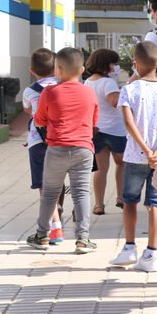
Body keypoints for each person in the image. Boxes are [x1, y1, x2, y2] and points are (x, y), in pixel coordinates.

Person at [26, 47, 98, 253]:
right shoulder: (89, 92)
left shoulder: (49, 92)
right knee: (81, 193)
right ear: (82, 69)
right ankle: (83, 239)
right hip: (84, 149)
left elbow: (39, 120)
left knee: (49, 193)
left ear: (58, 70)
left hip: (56, 148)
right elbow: (94, 120)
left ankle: (42, 236)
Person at [108, 42, 157, 273]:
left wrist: (144, 149)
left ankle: (129, 247)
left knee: (129, 201)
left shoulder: (129, 89)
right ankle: (152, 254)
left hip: (134, 156)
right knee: (155, 204)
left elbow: (128, 122)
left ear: (134, 64)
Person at [22, 48, 64, 246]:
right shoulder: (64, 86)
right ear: (56, 68)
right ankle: (58, 214)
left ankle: (52, 228)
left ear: (32, 70)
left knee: (43, 185)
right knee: (57, 182)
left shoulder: (30, 91)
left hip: (38, 142)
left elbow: (27, 109)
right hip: (61, 140)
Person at [84, 48, 127, 215]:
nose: (116, 66)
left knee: (101, 169)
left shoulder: (88, 82)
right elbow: (114, 102)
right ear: (106, 64)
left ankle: (99, 204)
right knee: (121, 164)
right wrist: (126, 91)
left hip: (97, 129)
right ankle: (120, 197)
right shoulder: (108, 83)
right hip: (115, 130)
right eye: (114, 63)